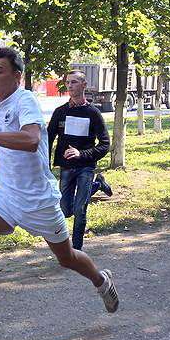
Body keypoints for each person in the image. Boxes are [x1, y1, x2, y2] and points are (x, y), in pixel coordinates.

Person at [0, 47, 119, 340]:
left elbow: (29, 139)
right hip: (7, 196)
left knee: (66, 258)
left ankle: (101, 281)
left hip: (38, 200)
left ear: (18, 76)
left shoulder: (26, 100)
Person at [47, 70, 113, 251]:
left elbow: (105, 144)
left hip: (85, 167)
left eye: (74, 82)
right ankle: (98, 185)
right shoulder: (60, 112)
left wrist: (81, 154)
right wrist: (45, 165)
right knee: (66, 210)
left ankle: (76, 251)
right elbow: (48, 138)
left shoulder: (93, 113)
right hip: (66, 167)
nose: (70, 86)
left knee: (80, 210)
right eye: (68, 82)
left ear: (84, 85)